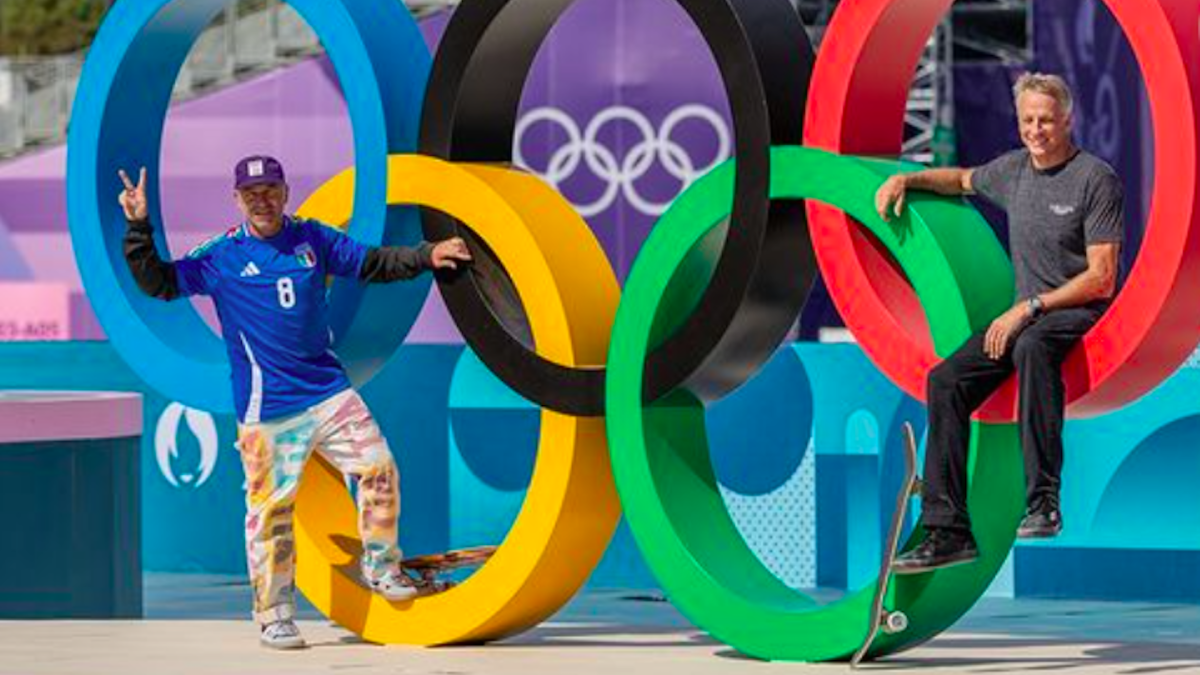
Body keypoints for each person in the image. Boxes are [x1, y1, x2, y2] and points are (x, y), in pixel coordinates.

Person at [119, 155, 472, 648]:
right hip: (268, 410)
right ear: (237, 199)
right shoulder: (220, 256)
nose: (261, 200)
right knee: (271, 514)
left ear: (285, 192)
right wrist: (138, 226)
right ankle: (274, 614)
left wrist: (425, 254)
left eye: (270, 190)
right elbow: (158, 283)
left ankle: (382, 567)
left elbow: (371, 263)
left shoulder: (314, 237)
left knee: (379, 468)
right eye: (251, 193)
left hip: (328, 392)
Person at [874, 73, 1124, 573]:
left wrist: (1029, 308)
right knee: (945, 381)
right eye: (1028, 120)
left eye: (1046, 120)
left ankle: (1043, 502)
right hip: (1023, 318)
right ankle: (947, 531)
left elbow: (1102, 278)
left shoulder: (1096, 178)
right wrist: (907, 178)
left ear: (1068, 120)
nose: (1036, 129)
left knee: (1032, 345)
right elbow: (962, 179)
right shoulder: (1012, 171)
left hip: (1075, 313)